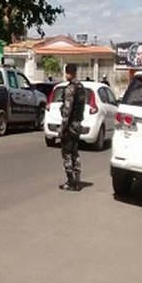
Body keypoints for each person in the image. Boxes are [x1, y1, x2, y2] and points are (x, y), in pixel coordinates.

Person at [59, 63, 86, 191]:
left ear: (69, 73)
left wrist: (63, 128)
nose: (65, 75)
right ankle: (77, 181)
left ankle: (70, 182)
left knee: (67, 153)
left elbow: (67, 110)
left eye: (66, 73)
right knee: (75, 152)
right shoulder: (81, 87)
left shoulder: (71, 88)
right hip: (78, 124)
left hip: (70, 125)